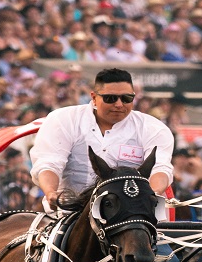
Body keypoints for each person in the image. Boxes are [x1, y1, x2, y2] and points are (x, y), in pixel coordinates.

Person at [29, 67, 174, 209]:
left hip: (131, 213)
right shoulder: (63, 119)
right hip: (69, 211)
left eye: (126, 98)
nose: (119, 104)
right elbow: (49, 163)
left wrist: (152, 195)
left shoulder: (153, 128)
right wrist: (51, 193)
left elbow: (160, 168)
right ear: (93, 97)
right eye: (110, 98)